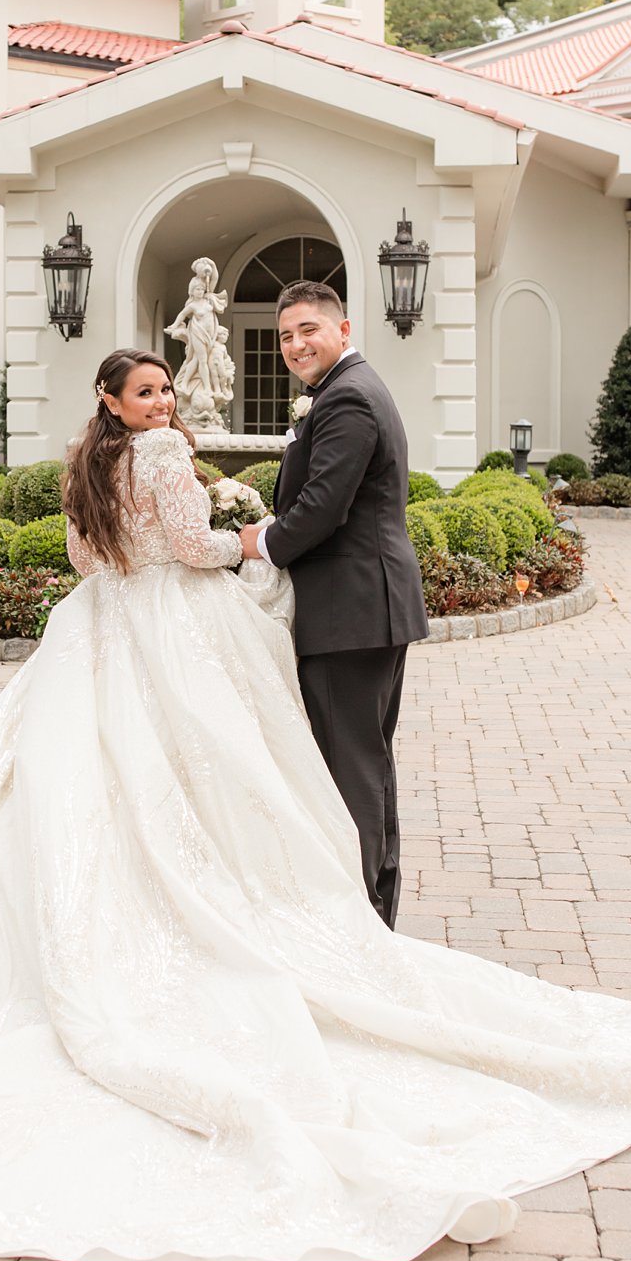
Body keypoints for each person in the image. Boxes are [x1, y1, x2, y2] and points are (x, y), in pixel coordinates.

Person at [0, 347, 631, 1261]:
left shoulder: (84, 464)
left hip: (98, 625)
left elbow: (80, 563)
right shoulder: (158, 453)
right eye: (146, 391)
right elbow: (191, 548)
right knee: (211, 772)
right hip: (169, 623)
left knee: (82, 780)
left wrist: (169, 540)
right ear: (116, 402)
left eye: (164, 390)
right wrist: (241, 536)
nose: (161, 404)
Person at [239, 281, 425, 927]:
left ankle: (364, 922)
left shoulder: (348, 398)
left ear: (342, 329)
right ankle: (375, 909)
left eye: (308, 329)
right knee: (366, 763)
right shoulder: (344, 390)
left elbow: (321, 508)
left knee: (351, 769)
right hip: (361, 607)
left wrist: (256, 540)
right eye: (285, 335)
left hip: (351, 612)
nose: (295, 344)